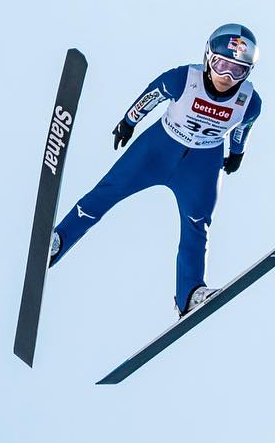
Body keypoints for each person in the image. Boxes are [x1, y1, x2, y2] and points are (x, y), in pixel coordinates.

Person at [49, 25, 263, 316]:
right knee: (107, 192)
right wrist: (129, 121)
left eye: (237, 71)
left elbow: (242, 129)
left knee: (197, 224)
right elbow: (152, 95)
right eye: (221, 65)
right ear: (207, 58)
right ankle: (57, 241)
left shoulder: (250, 102)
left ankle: (189, 294)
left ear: (247, 73)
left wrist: (236, 154)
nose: (226, 77)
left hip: (202, 164)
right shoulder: (183, 79)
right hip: (159, 149)